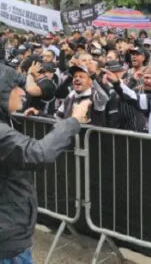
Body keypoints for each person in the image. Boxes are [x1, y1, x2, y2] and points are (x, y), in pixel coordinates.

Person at [0, 64, 90, 263]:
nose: (24, 93)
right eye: (18, 87)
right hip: (7, 241)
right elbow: (38, 154)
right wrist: (73, 121)